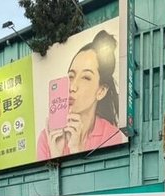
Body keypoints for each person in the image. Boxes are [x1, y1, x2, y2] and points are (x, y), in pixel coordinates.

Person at [37, 30, 122, 159]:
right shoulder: (47, 137)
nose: (72, 87)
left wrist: (76, 149)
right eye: (71, 76)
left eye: (86, 78)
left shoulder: (110, 135)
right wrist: (56, 155)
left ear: (101, 91)